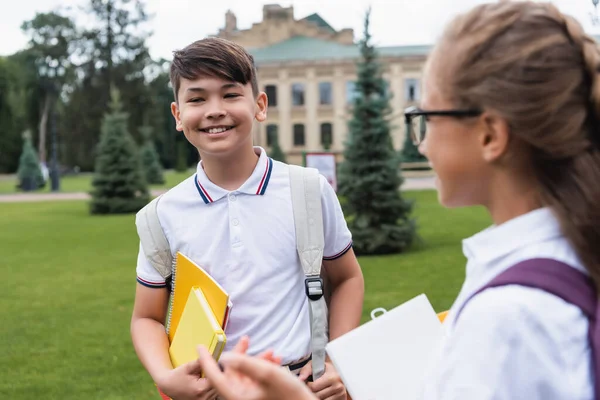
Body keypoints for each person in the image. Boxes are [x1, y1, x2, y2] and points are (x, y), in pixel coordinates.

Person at [195, 1, 600, 399]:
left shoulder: (507, 317)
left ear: (490, 135)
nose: (420, 144)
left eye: (426, 116)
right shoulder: (563, 255)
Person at [129, 37, 364, 400]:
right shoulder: (162, 215)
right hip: (212, 390)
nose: (214, 110)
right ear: (178, 115)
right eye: (196, 98)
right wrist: (165, 376)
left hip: (300, 386)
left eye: (230, 94)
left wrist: (337, 360)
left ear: (259, 105)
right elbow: (145, 317)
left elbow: (347, 277)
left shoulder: (307, 190)